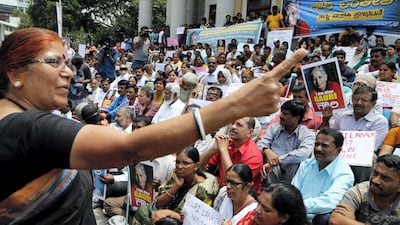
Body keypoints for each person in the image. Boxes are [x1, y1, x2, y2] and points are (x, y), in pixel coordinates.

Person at [0, 27, 307, 224]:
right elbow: (131, 147)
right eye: (55, 62)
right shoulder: (23, 128)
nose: (68, 72)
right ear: (15, 73)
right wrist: (237, 105)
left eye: (68, 63)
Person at [133, 147, 219, 225]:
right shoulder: (175, 175)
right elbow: (158, 204)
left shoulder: (204, 187)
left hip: (180, 221)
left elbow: (196, 219)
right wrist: (177, 185)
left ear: (196, 166)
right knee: (142, 211)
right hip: (165, 215)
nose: (180, 166)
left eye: (185, 163)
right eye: (177, 162)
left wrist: (170, 214)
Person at [291, 128, 354, 225]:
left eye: (324, 146)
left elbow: (330, 202)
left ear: (338, 151)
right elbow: (293, 191)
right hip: (296, 215)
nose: (318, 149)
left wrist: (296, 205)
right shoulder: (306, 164)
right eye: (316, 144)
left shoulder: (344, 173)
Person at [329, 155, 400, 225]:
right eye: (375, 173)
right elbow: (335, 220)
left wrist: (350, 222)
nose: (375, 180)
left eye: (385, 178)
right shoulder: (360, 190)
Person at [258, 100, 316, 184]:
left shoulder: (307, 134)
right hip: (273, 168)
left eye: (285, 114)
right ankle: (270, 192)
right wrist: (266, 150)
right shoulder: (274, 128)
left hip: (292, 172)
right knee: (266, 158)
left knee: (294, 163)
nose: (280, 116)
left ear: (297, 118)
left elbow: (303, 153)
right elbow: (261, 144)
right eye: (281, 113)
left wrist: (278, 160)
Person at [235, 182, 310, 225]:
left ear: (284, 218)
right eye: (258, 203)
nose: (257, 210)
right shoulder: (251, 218)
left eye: (266, 209)